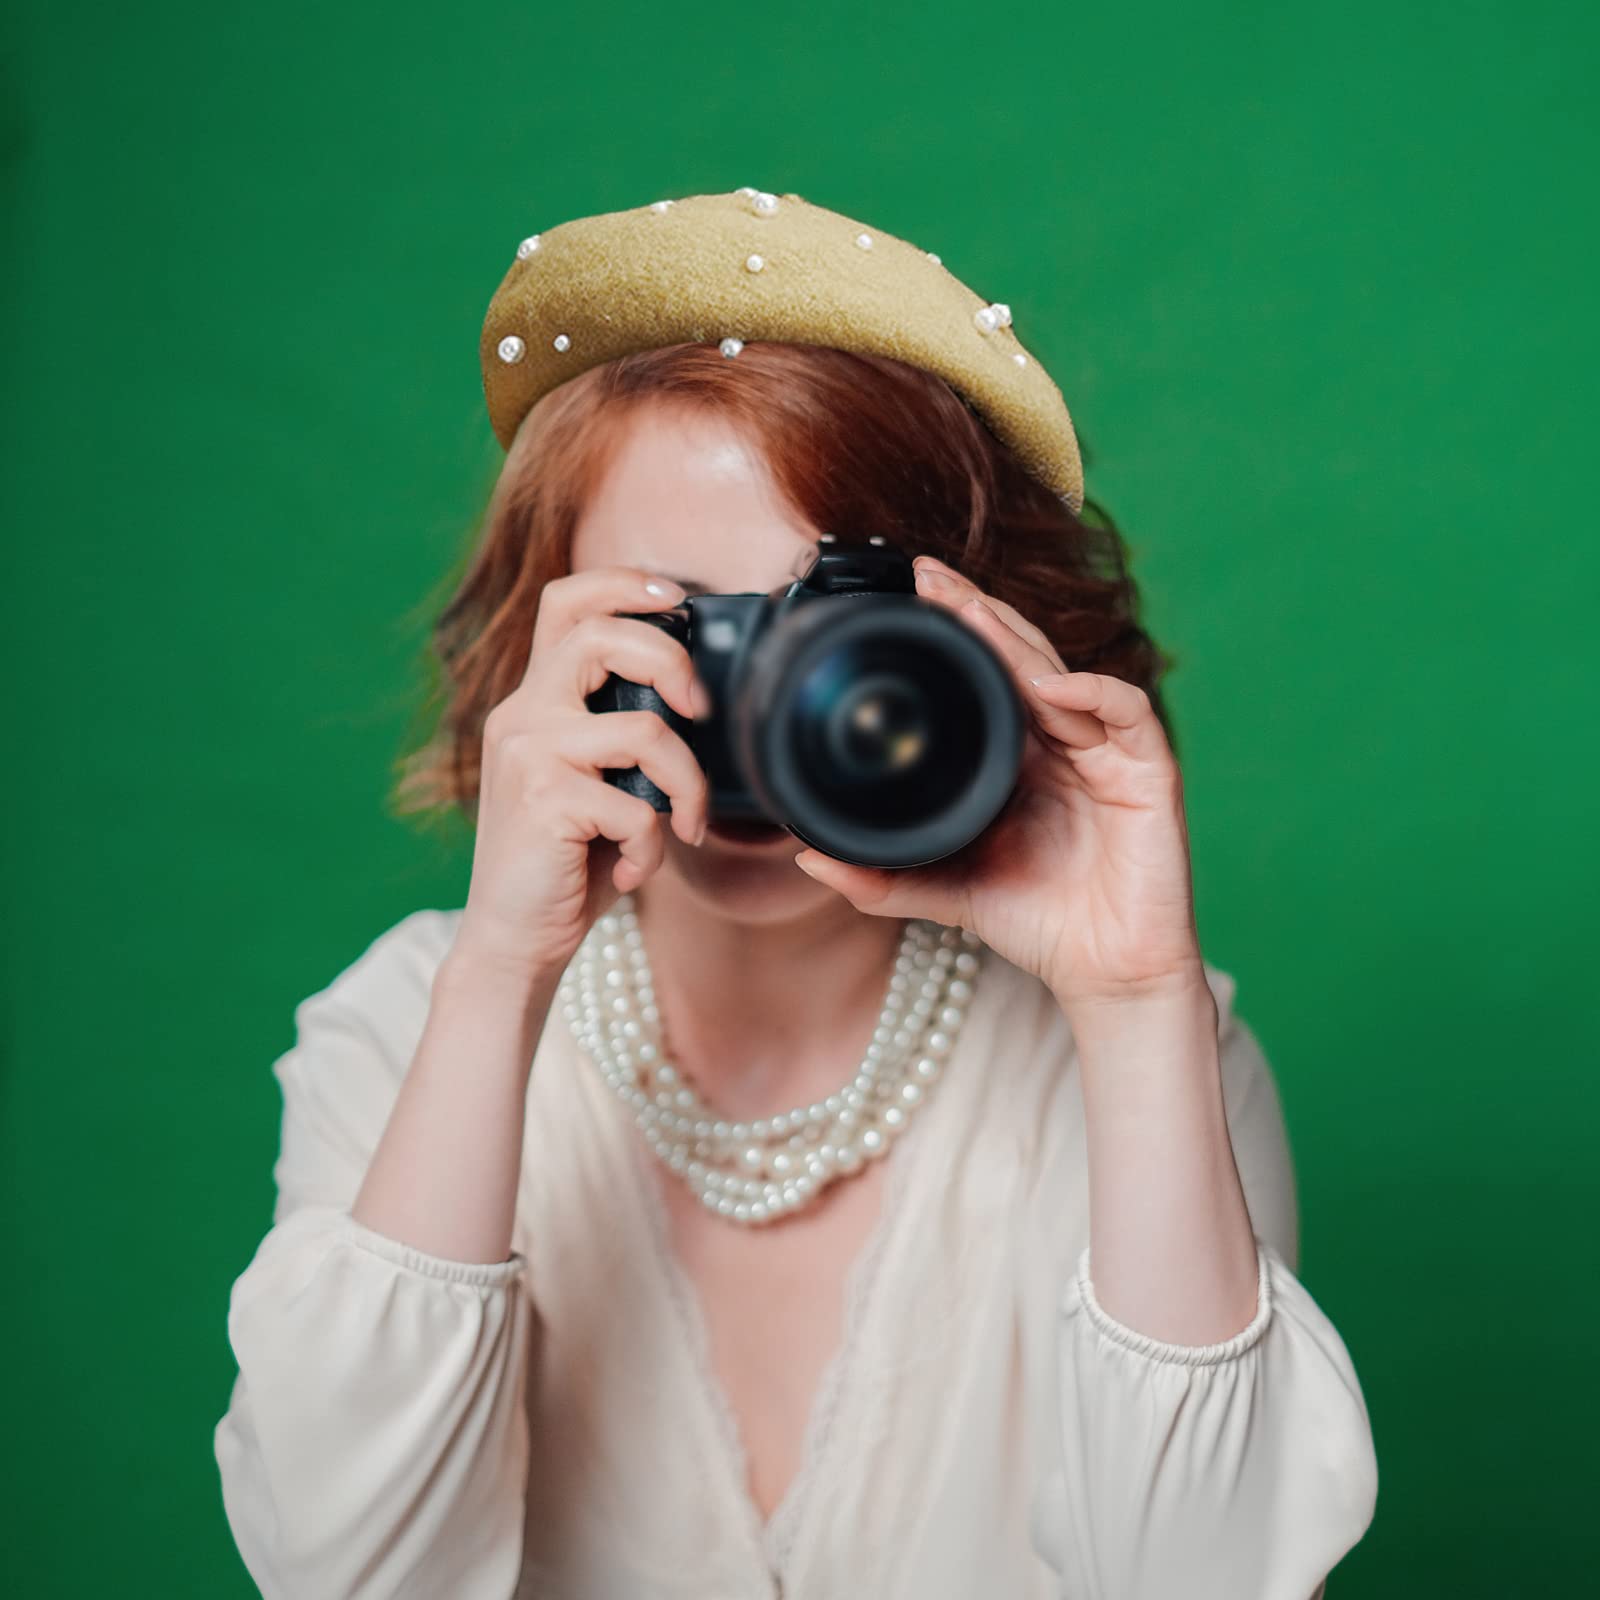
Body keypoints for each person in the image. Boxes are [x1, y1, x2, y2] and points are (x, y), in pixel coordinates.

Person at [213, 191, 1378, 1599]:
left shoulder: (1146, 1057)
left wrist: (1134, 1006)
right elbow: (344, 1579)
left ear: (977, 648)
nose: (767, 707)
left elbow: (1201, 1583)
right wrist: (500, 971)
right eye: (683, 627)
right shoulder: (407, 1025)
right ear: (545, 643)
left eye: (832, 634)